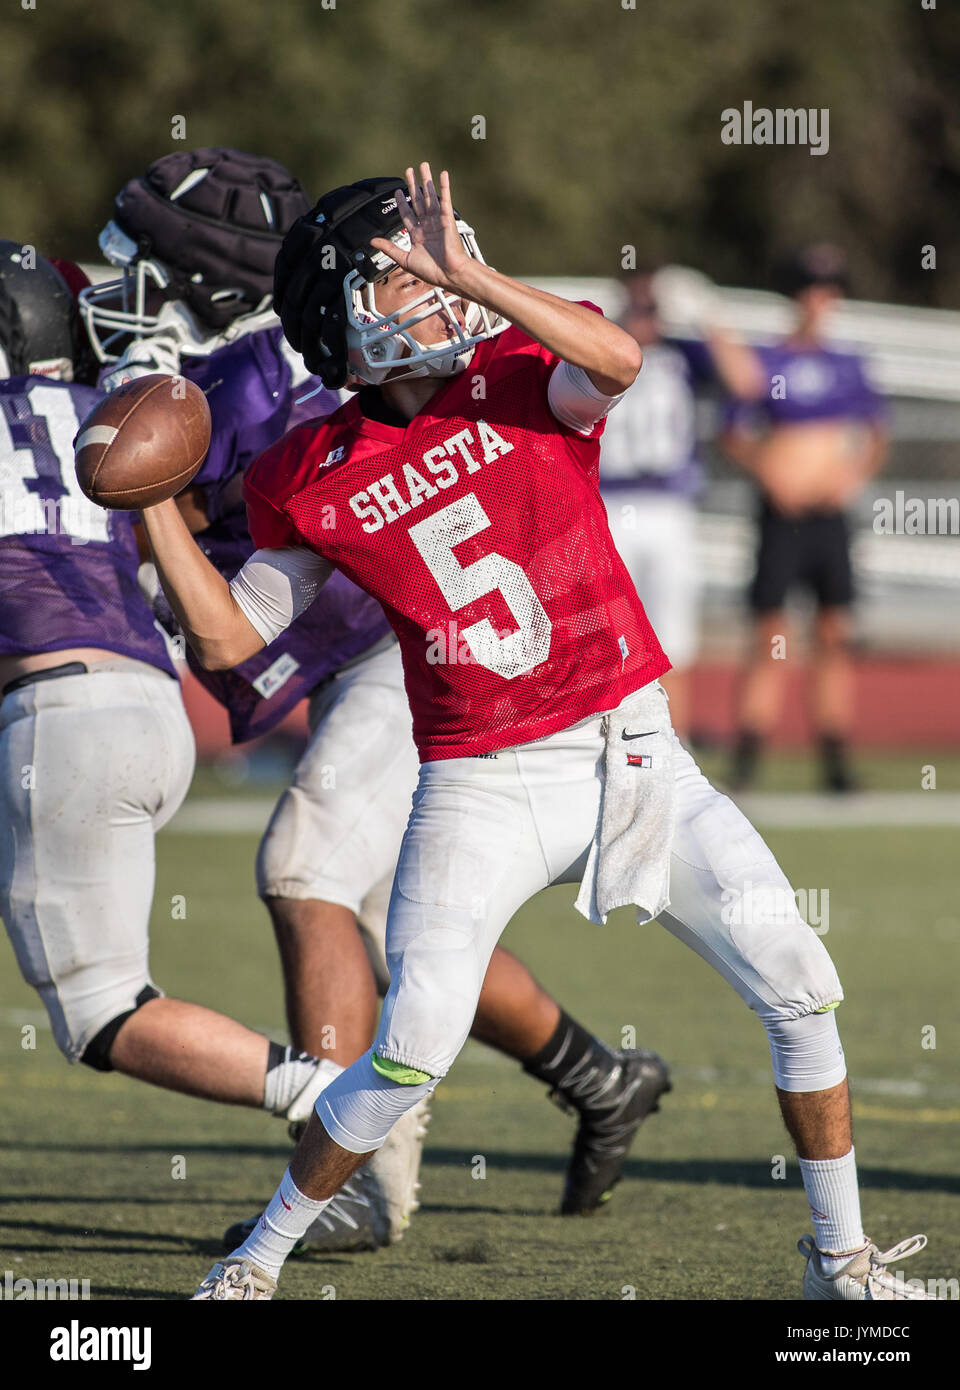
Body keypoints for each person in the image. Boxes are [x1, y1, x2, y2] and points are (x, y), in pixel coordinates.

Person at [137, 166, 936, 1301]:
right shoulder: (307, 474)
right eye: (403, 275)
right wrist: (156, 503)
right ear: (346, 318)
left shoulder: (513, 369)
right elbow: (229, 640)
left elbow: (617, 363)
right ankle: (255, 1261)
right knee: (412, 1044)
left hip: (635, 749)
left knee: (802, 982)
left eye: (433, 269)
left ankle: (841, 1262)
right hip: (479, 780)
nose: (432, 290)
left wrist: (478, 278)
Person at [85, 149, 672, 1249]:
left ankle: (361, 1179)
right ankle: (597, 1074)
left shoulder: (269, 379)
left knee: (306, 871)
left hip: (400, 648)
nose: (116, 281)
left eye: (139, 257)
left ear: (206, 274)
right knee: (386, 917)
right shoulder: (217, 361)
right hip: (346, 650)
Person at [0, 241, 341, 1143]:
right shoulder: (93, 410)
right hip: (150, 707)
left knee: (105, 1013)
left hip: (59, 726)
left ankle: (334, 1101)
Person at [717, 245, 889, 792]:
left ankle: (835, 758)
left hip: (829, 516)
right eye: (811, 292)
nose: (821, 302)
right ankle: (747, 755)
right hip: (782, 515)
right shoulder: (769, 363)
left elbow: (875, 433)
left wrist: (852, 476)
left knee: (835, 632)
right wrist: (768, 471)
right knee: (771, 633)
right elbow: (734, 432)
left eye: (829, 292)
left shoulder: (849, 364)